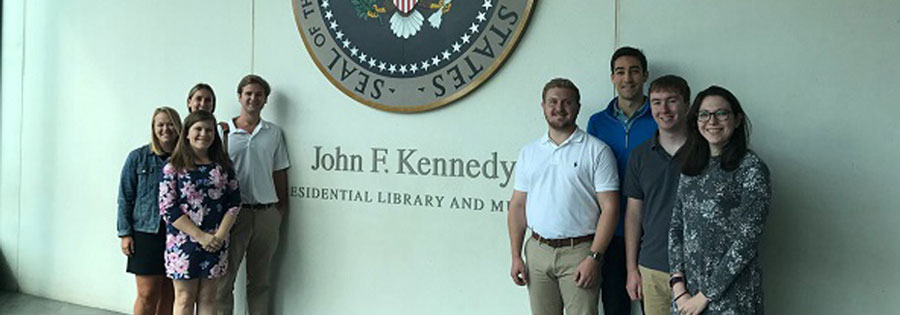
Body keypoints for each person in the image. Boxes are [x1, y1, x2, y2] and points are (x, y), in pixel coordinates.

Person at [507, 78, 620, 315]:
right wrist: (516, 256)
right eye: (553, 102)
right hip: (537, 251)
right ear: (543, 106)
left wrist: (594, 257)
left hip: (580, 252)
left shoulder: (597, 150)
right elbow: (518, 206)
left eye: (567, 102)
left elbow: (610, 208)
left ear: (577, 107)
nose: (559, 108)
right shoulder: (529, 152)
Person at [668, 86, 771, 315]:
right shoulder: (692, 167)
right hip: (686, 296)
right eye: (704, 114)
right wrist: (678, 287)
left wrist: (706, 296)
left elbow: (747, 241)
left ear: (736, 120)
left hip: (731, 297)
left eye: (721, 113)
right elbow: (676, 227)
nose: (712, 121)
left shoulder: (751, 168)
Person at [586, 46, 658, 315]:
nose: (627, 78)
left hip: (653, 230)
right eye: (621, 72)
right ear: (612, 78)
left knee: (657, 305)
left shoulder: (661, 116)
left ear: (645, 75)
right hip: (611, 230)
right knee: (616, 306)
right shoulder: (597, 123)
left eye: (634, 71)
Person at [217, 74, 291, 315]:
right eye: (248, 93)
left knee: (260, 282)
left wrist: (280, 210)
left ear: (265, 100)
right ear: (239, 97)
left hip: (266, 215)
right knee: (223, 281)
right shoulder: (222, 133)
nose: (253, 98)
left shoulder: (274, 133)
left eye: (258, 94)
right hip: (233, 216)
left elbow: (279, 172)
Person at [159, 110, 241, 315]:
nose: (204, 134)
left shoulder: (223, 166)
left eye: (209, 130)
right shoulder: (173, 167)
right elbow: (168, 208)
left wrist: (219, 236)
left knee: (208, 298)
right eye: (198, 129)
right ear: (187, 133)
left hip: (216, 242)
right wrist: (200, 236)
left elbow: (234, 201)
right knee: (184, 299)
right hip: (183, 242)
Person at [622, 75, 691, 315]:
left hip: (697, 268)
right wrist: (632, 269)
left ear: (687, 105)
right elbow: (633, 214)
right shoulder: (640, 156)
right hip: (652, 266)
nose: (664, 109)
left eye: (672, 101)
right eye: (656, 102)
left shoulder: (705, 151)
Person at [117, 106, 181, 315]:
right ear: (153, 128)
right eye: (160, 124)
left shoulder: (186, 159)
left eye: (170, 123)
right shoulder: (137, 157)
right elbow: (125, 197)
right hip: (146, 233)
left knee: (170, 294)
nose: (165, 129)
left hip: (177, 234)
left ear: (178, 126)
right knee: (147, 294)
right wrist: (125, 233)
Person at [186, 83, 231, 152]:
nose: (203, 104)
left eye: (207, 100)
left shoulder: (222, 131)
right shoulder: (178, 130)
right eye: (198, 99)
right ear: (189, 102)